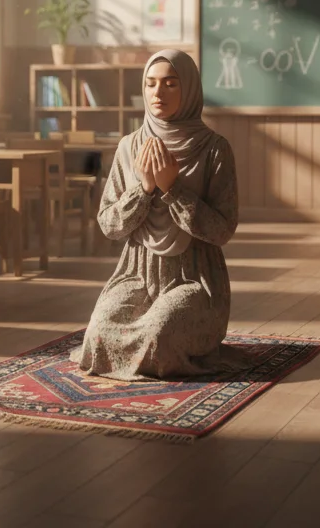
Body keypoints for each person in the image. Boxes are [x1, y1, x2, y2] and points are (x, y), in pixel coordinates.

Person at [71, 49, 239, 381]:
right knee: (98, 336)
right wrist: (144, 189)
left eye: (170, 84)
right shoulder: (128, 147)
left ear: (189, 89)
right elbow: (109, 223)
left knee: (159, 337)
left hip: (194, 280)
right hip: (135, 274)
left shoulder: (215, 149)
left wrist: (173, 189)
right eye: (150, 84)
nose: (158, 93)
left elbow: (222, 231)